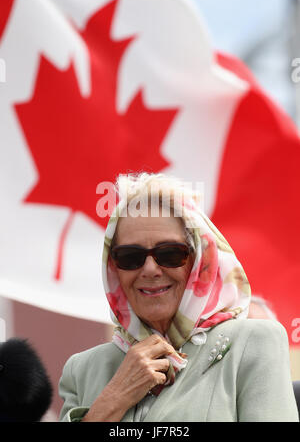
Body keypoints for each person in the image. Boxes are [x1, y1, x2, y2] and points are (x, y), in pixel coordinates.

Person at [58, 172, 299, 422]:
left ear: (199, 262)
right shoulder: (82, 370)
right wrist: (114, 399)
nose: (150, 269)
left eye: (170, 254)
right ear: (114, 270)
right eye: (130, 257)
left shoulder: (252, 343)